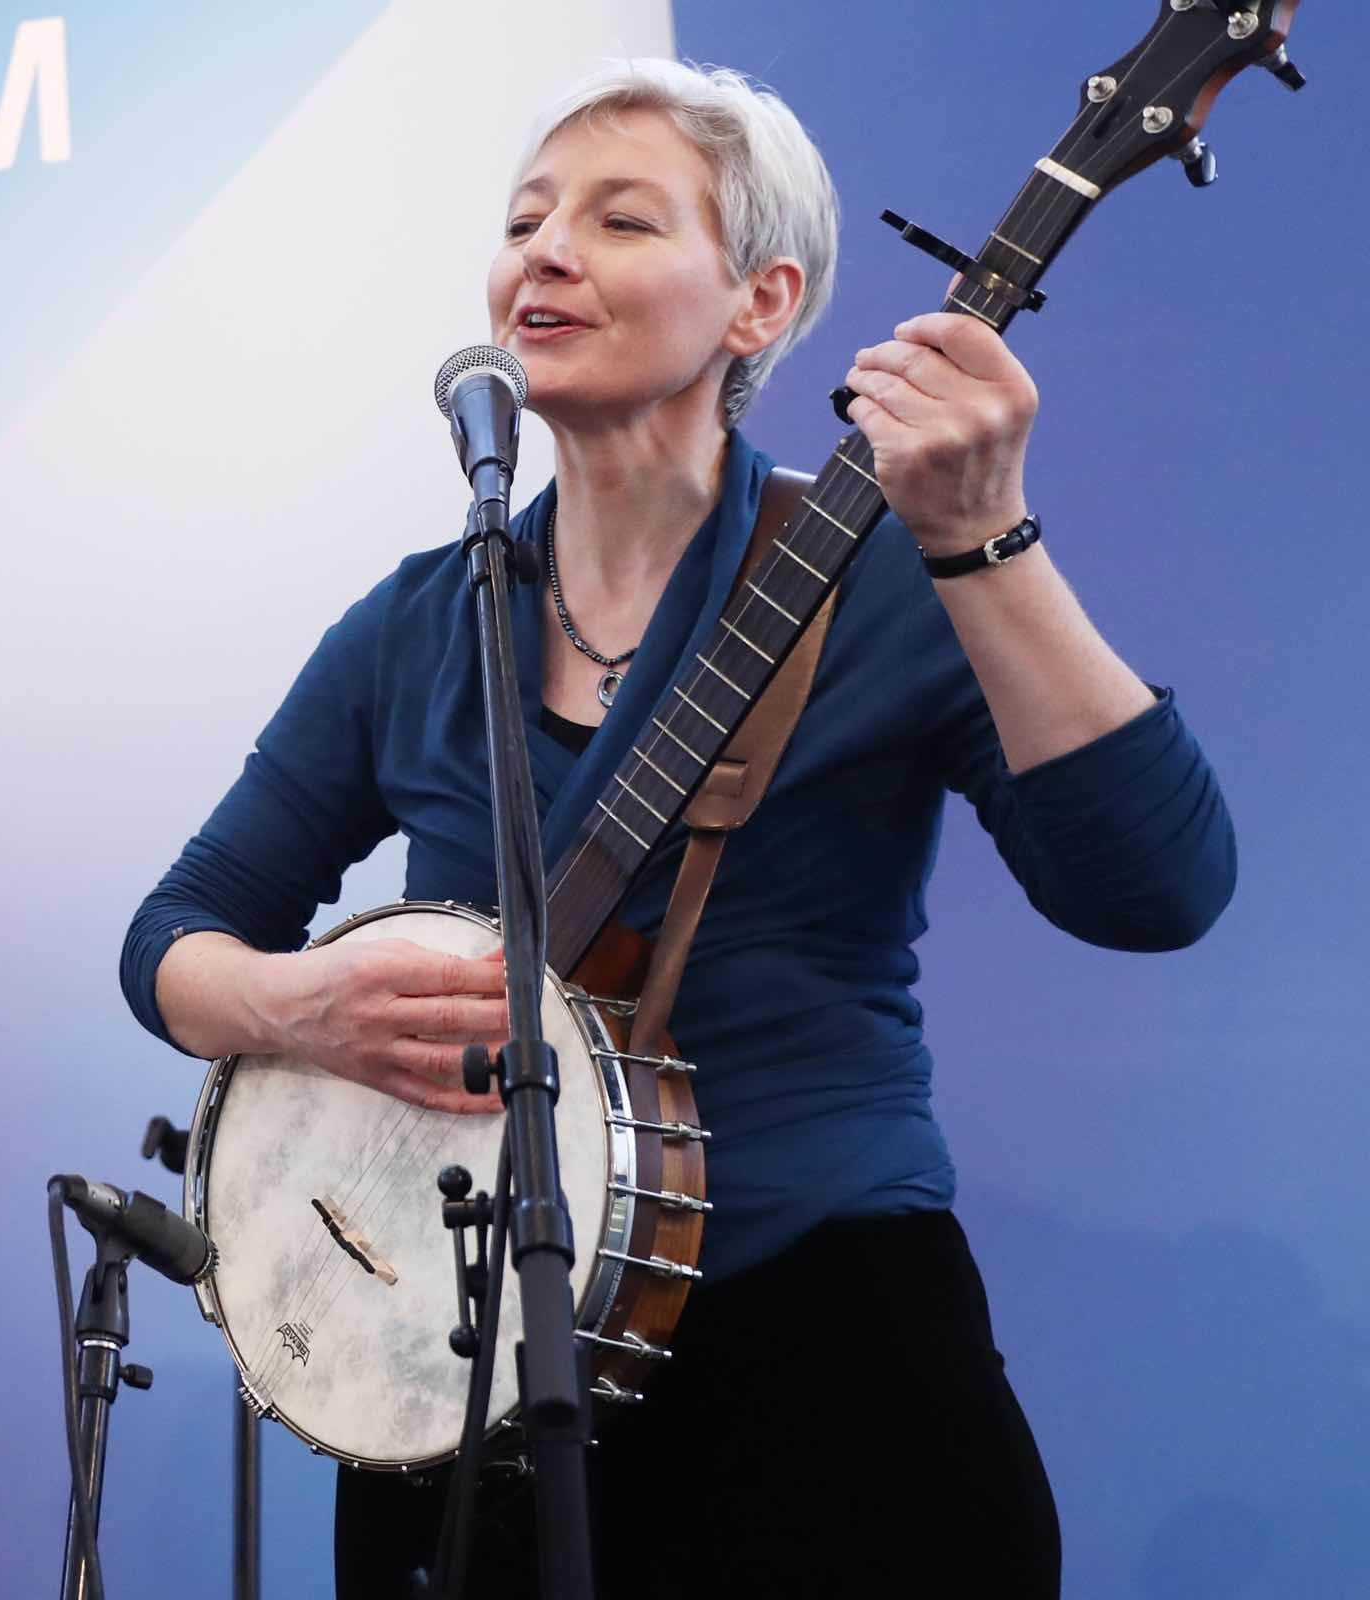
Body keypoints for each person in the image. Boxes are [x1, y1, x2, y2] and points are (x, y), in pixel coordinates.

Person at [122, 60, 1233, 1598]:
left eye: (621, 220)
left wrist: (984, 536)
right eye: (525, 220)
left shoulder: (901, 581)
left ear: (761, 303)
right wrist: (297, 1004)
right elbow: (171, 936)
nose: (545, 251)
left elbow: (1157, 887)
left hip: (824, 1337)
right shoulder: (417, 626)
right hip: (462, 1363)